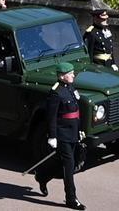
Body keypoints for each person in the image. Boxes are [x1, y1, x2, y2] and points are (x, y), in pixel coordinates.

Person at [34, 62, 85, 210]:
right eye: (70, 73)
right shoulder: (55, 92)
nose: (73, 75)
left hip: (73, 131)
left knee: (65, 162)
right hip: (62, 134)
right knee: (69, 166)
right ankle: (71, 198)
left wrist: (80, 130)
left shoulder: (70, 88)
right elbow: (51, 117)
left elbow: (76, 111)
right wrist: (52, 136)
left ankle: (42, 175)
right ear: (62, 76)